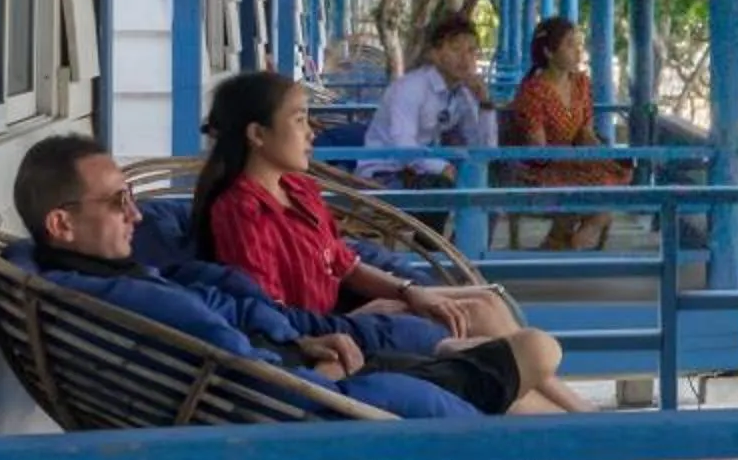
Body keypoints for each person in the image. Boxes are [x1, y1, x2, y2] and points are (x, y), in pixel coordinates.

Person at [16, 134, 729, 460]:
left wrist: (312, 333)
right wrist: (319, 363)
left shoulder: (113, 280)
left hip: (309, 374)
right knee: (526, 358)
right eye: (117, 204)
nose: (135, 215)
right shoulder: (138, 296)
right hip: (313, 406)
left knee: (508, 368)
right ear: (61, 223)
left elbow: (246, 319)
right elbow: (232, 354)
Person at [197, 70, 517, 345]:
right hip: (331, 333)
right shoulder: (241, 211)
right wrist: (358, 317)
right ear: (257, 134)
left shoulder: (299, 189)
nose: (311, 132)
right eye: (298, 120)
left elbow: (344, 264)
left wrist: (407, 292)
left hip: (351, 312)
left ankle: (565, 413)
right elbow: (269, 311)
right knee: (476, 317)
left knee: (489, 300)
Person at [501, 16, 628, 252]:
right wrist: (570, 157)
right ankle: (571, 237)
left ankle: (565, 237)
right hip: (542, 166)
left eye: (579, 44)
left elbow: (585, 132)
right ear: (549, 52)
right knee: (599, 185)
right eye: (570, 44)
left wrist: (599, 151)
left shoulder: (581, 83)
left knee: (620, 171)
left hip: (574, 160)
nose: (578, 51)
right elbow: (538, 149)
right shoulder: (533, 91)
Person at [365, 11, 499, 219]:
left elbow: (484, 150)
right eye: (456, 49)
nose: (465, 59)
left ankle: (457, 251)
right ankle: (429, 250)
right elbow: (403, 146)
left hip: (423, 172)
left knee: (489, 202)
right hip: (385, 173)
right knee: (438, 189)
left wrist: (485, 103)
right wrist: (441, 166)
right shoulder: (410, 88)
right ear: (434, 54)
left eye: (472, 51)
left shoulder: (463, 92)